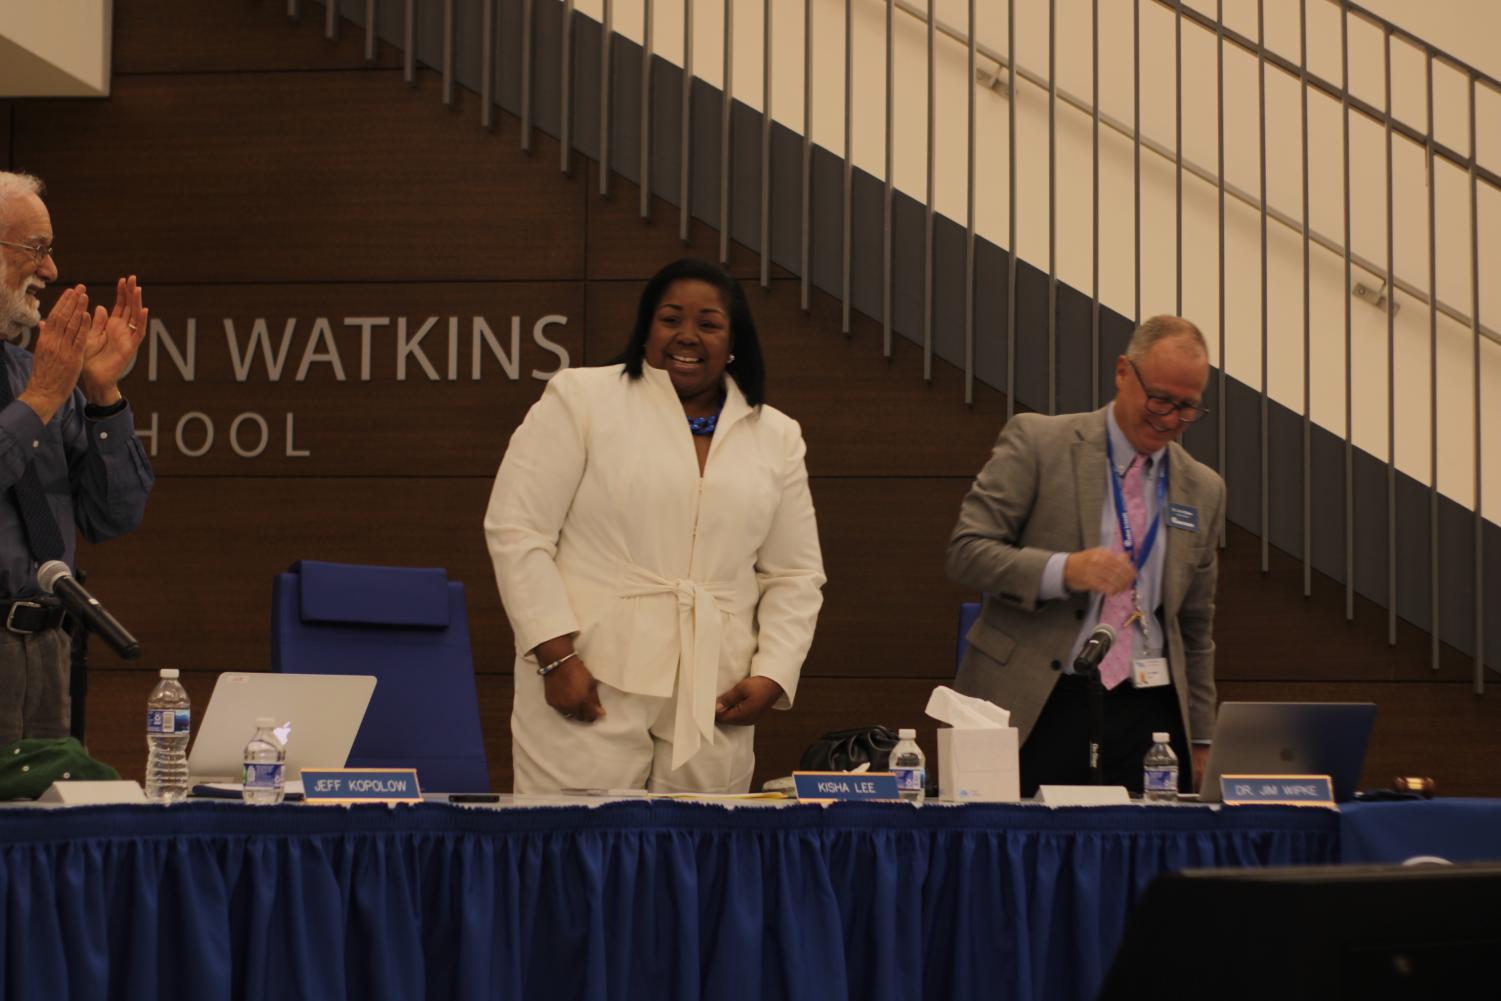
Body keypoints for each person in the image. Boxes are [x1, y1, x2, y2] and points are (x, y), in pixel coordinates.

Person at [485, 258, 825, 793]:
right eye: (670, 319)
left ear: (734, 341)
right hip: (591, 677)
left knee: (697, 864)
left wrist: (772, 674)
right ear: (646, 328)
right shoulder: (582, 398)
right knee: (577, 857)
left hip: (714, 694)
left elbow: (795, 574)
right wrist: (556, 658)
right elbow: (517, 531)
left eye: (708, 324)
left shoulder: (776, 435)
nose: (687, 336)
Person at [946, 316, 1225, 795]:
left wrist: (1201, 737)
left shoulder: (1203, 488)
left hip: (1149, 712)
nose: (1170, 418)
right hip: (1038, 700)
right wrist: (1064, 569)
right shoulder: (1039, 443)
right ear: (1122, 372)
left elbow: (1195, 626)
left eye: (1187, 407)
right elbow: (967, 552)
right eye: (1159, 398)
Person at [0, 171, 153, 744]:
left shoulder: (29, 371)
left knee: (48, 827)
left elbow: (113, 516)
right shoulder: (39, 382)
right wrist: (39, 399)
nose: (51, 270)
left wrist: (102, 393)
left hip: (48, 652)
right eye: (35, 250)